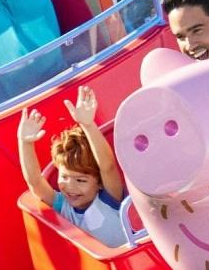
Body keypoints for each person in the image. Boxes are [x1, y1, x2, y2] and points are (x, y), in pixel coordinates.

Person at [20, 86, 128, 247]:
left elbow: (108, 166)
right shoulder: (63, 205)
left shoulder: (109, 198)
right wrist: (25, 142)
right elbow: (35, 182)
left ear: (99, 182)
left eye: (81, 180)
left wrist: (88, 125)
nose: (70, 186)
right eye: (64, 177)